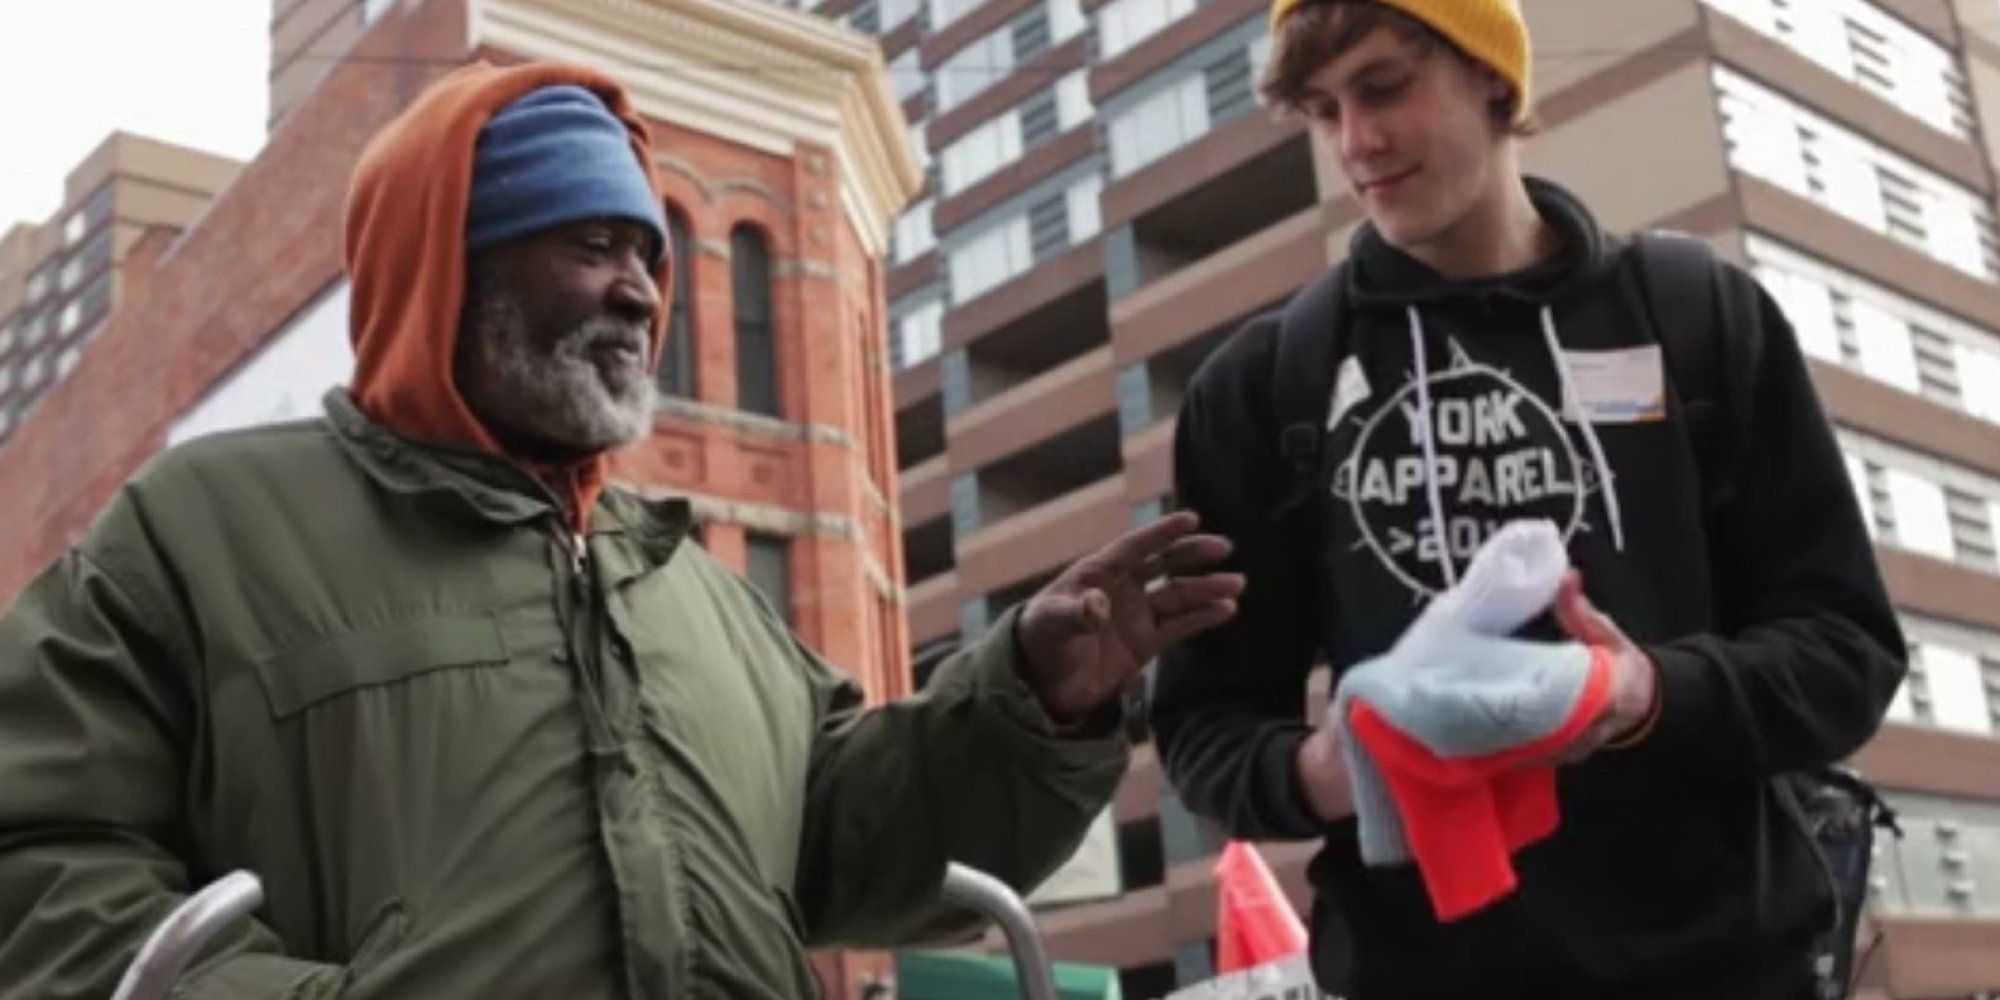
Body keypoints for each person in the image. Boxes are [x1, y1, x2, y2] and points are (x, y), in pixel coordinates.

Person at [0, 62, 1246, 999]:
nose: (642, 289)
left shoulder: (694, 590)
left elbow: (850, 839)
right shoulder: (200, 530)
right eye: (591, 243)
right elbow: (38, 860)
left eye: (648, 253)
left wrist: (1031, 693)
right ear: (449, 268)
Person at [1149, 1, 1909, 998]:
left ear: (1492, 77)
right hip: (1416, 973)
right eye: (1322, 110)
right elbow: (1202, 726)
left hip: (1724, 965)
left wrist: (1643, 694)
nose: (1355, 142)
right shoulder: (1263, 387)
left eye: (1383, 87)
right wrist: (1328, 771)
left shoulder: (1694, 315)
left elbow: (1846, 651)